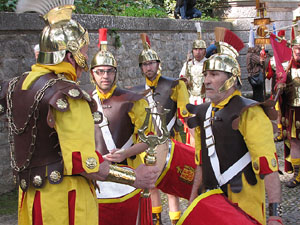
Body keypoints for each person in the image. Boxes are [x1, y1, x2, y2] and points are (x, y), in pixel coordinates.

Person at [0, 2, 159, 225]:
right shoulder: (67, 95)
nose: (86, 57)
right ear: (70, 54)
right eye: (84, 51)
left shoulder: (15, 85)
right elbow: (85, 163)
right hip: (65, 202)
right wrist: (134, 177)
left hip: (29, 199)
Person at [187, 28, 283, 225]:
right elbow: (201, 163)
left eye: (214, 74)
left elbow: (268, 166)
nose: (207, 80)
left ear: (231, 78)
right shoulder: (203, 112)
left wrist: (275, 214)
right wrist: (192, 201)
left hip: (243, 206)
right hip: (211, 204)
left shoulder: (250, 112)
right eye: (206, 74)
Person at [89, 28, 153, 225]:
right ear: (93, 74)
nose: (105, 76)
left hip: (127, 177)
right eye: (100, 71)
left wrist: (126, 154)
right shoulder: (84, 102)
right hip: (95, 179)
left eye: (109, 71)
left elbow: (150, 138)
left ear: (116, 73)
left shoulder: (132, 100)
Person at [131, 33, 192, 225]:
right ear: (141, 68)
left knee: (171, 188)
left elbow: (186, 114)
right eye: (145, 64)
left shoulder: (175, 85)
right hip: (147, 146)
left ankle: (176, 221)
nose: (148, 67)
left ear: (158, 64)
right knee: (152, 186)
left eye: (152, 63)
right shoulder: (136, 92)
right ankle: (156, 221)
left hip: (170, 143)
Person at [277, 34, 300, 188]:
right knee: (295, 142)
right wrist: (280, 87)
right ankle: (297, 174)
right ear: (292, 49)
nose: (299, 52)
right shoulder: (286, 68)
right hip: (292, 110)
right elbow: (278, 88)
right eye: (297, 49)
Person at [179, 22, 207, 146]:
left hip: (205, 99)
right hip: (191, 99)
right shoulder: (188, 65)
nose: (198, 52)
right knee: (191, 125)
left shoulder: (209, 64)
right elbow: (181, 81)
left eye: (201, 49)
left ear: (205, 51)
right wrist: (184, 82)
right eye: (196, 49)